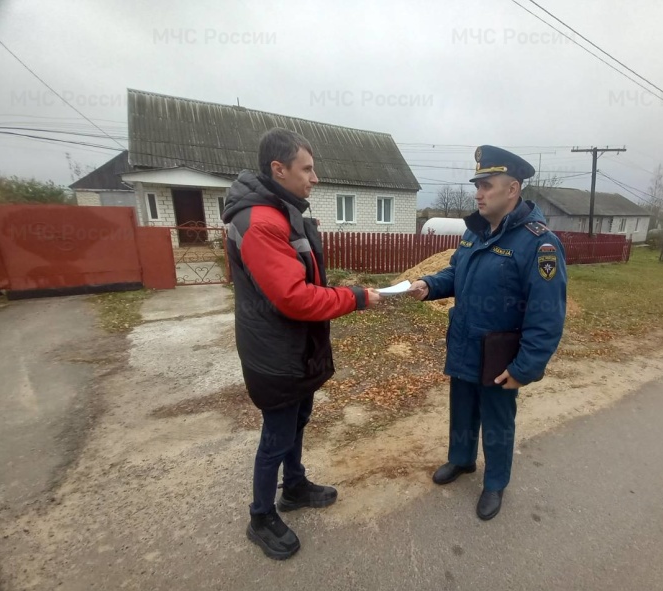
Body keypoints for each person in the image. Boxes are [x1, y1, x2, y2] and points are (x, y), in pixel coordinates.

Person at [222, 127, 381, 560]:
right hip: (275, 354)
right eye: (307, 169)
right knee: (276, 433)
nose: (314, 178)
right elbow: (293, 298)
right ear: (279, 169)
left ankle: (293, 486)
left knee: (297, 421)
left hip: (298, 348)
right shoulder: (259, 222)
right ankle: (260, 516)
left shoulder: (283, 212)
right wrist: (357, 297)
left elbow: (301, 281)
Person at [407, 145, 567, 520]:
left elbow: (548, 315)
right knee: (462, 409)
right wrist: (429, 285)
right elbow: (456, 273)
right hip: (465, 342)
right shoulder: (475, 233)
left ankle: (495, 483)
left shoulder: (538, 243)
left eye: (486, 185)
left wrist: (526, 367)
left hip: (499, 353)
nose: (478, 193)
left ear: (512, 189)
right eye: (477, 184)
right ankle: (461, 460)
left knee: (497, 418)